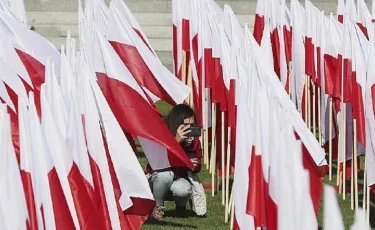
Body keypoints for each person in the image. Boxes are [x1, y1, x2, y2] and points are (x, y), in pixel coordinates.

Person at [145, 104, 203, 221]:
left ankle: (180, 208)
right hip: (157, 179)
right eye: (185, 125)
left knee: (183, 189)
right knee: (166, 175)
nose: (189, 128)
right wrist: (176, 141)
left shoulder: (193, 140)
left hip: (178, 178)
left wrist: (195, 165)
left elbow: (197, 166)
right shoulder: (162, 133)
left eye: (192, 125)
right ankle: (158, 208)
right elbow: (158, 161)